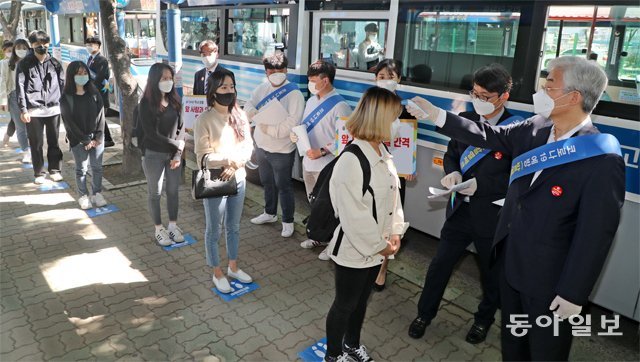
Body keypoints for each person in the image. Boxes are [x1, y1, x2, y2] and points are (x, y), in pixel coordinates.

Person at [406, 56, 625, 361]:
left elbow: (595, 233)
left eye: (550, 84)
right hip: (512, 267)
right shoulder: (535, 127)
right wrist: (439, 116)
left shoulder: (600, 158)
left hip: (551, 283)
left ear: (573, 97)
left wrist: (574, 292)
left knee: (545, 353)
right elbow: (488, 136)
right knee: (513, 347)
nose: (542, 90)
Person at [408, 64, 517, 344]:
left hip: (491, 216)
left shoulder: (516, 130)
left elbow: (517, 179)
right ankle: (424, 314)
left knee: (491, 275)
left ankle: (483, 320)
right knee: (440, 265)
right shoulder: (465, 118)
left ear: (503, 96)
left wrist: (483, 187)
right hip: (459, 211)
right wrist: (452, 171)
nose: (478, 100)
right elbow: (451, 154)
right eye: (474, 93)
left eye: (485, 96)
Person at [324, 86, 408, 362]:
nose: (398, 124)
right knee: (345, 305)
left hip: (378, 247)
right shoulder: (352, 160)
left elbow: (394, 198)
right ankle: (334, 355)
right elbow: (353, 216)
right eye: (394, 117)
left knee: (361, 303)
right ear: (378, 118)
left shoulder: (382, 151)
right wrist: (381, 246)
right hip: (355, 250)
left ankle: (351, 345)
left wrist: (396, 232)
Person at [194, 68, 254, 293]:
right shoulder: (204, 119)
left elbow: (249, 145)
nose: (229, 91)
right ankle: (216, 271)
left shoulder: (240, 115)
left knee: (234, 226)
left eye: (232, 86)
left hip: (239, 178)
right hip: (216, 181)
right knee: (214, 228)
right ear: (213, 91)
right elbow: (203, 157)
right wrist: (228, 160)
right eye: (223, 87)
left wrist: (237, 163)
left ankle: (233, 267)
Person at [290, 60, 351, 259]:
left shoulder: (340, 106)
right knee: (314, 203)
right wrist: (296, 135)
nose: (310, 83)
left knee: (330, 207)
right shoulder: (311, 100)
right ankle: (318, 236)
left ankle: (333, 243)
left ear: (325, 81)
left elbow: (345, 138)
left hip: (327, 166)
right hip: (308, 163)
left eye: (313, 80)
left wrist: (323, 151)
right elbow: (305, 126)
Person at [244, 52, 304, 238]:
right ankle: (269, 213)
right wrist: (253, 114)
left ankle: (287, 220)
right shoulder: (262, 88)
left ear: (286, 70)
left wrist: (267, 128)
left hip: (282, 149)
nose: (276, 72)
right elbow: (248, 105)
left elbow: (292, 122)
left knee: (284, 185)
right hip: (262, 147)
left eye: (280, 69)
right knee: (267, 182)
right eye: (271, 70)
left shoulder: (295, 94)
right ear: (266, 71)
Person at [371, 59, 417, 291]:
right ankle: (366, 263)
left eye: (390, 76)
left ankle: (382, 269)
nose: (385, 80)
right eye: (381, 76)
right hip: (369, 170)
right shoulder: (368, 104)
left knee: (389, 221)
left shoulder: (406, 109)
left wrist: (408, 166)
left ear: (398, 79)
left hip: (394, 174)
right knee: (369, 217)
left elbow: (408, 143)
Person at [139, 63, 186, 247]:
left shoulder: (175, 100)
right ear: (154, 80)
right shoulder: (145, 104)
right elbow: (151, 134)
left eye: (170, 78)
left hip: (173, 156)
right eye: (163, 78)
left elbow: (181, 129)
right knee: (155, 193)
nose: (168, 82)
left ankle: (173, 225)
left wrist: (177, 153)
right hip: (154, 155)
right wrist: (176, 145)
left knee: (173, 191)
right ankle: (159, 229)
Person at [16, 30, 65, 184]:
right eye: (38, 44)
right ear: (32, 45)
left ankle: (55, 170)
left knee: (54, 142)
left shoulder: (55, 63)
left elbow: (63, 85)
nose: (42, 47)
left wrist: (64, 106)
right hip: (33, 111)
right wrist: (23, 110)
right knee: (36, 144)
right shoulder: (24, 63)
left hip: (54, 109)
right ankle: (39, 173)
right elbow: (20, 87)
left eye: (44, 44)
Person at [60, 61, 107, 210]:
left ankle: (97, 193)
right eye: (79, 74)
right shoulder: (66, 97)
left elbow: (101, 115)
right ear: (71, 76)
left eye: (85, 73)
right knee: (81, 169)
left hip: (96, 138)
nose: (82, 76)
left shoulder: (94, 93)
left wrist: (98, 137)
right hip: (78, 139)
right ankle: (83, 195)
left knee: (97, 167)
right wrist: (85, 140)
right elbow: (69, 123)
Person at [1, 40, 31, 163]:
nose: (21, 50)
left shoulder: (31, 61)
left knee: (32, 126)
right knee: (20, 126)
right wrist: (3, 100)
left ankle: (32, 149)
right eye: (18, 48)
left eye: (24, 48)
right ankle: (26, 152)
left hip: (31, 97)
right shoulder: (7, 63)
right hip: (14, 96)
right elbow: (2, 81)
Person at [85, 36, 114, 147]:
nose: (89, 47)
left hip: (100, 93)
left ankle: (107, 139)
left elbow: (100, 78)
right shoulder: (90, 58)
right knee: (99, 118)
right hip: (93, 93)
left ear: (98, 46)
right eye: (87, 44)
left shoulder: (102, 60)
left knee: (100, 117)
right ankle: (106, 138)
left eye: (91, 45)